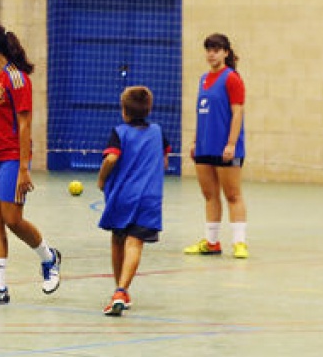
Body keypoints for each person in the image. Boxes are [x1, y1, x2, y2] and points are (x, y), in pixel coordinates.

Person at [0, 23, 62, 305]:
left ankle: (49, 257)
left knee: (12, 219)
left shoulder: (17, 79)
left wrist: (23, 166)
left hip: (11, 158)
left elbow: (24, 123)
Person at [96, 86, 169, 317]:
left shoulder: (119, 132)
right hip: (149, 198)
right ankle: (122, 291)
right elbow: (165, 162)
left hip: (122, 197)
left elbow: (112, 158)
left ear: (124, 111)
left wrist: (101, 179)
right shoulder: (158, 132)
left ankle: (119, 291)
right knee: (135, 243)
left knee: (118, 240)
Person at [184, 33, 249, 258]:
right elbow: (202, 113)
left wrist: (231, 143)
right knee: (210, 195)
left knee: (233, 195)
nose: (211, 54)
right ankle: (212, 242)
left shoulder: (232, 78)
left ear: (226, 53)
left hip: (225, 147)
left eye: (216, 49)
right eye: (208, 50)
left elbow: (237, 111)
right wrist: (195, 141)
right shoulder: (203, 79)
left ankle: (239, 242)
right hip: (204, 147)